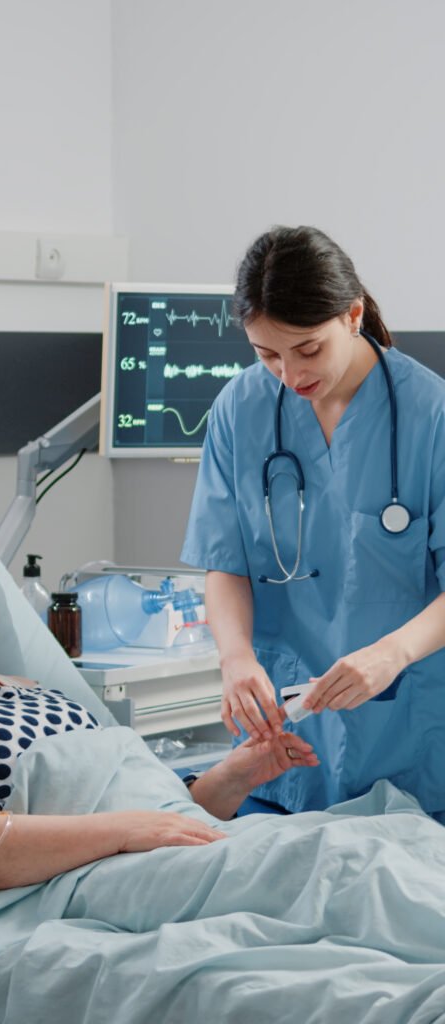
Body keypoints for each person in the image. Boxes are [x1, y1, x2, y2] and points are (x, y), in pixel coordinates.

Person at [0, 504, 318, 922]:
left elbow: (155, 818)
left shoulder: (35, 693)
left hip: (164, 854)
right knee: (320, 879)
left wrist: (237, 775)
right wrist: (120, 832)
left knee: (341, 854)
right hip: (93, 883)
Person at [181, 224, 445, 819]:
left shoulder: (432, 416)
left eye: (307, 349)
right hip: (288, 733)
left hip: (408, 725)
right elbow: (227, 562)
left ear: (352, 316)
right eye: (267, 354)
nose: (289, 375)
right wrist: (235, 658)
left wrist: (391, 654)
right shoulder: (239, 411)